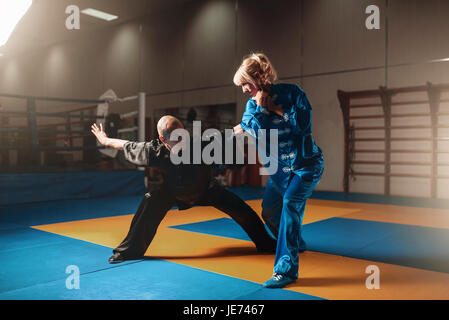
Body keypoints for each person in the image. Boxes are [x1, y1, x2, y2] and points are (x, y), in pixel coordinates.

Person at [91, 116, 276, 264]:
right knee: (150, 200)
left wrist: (249, 120)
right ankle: (128, 252)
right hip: (173, 192)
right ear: (163, 140)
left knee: (241, 209)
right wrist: (105, 140)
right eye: (176, 138)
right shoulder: (154, 151)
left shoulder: (201, 144)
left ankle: (266, 243)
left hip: (205, 189)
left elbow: (231, 132)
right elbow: (125, 145)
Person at [233, 53, 324, 288]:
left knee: (289, 205)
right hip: (281, 171)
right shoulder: (251, 104)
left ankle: (286, 271)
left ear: (260, 77)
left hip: (306, 166)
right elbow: (252, 127)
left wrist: (272, 106)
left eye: (246, 83)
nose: (244, 90)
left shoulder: (293, 93)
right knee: (269, 212)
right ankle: (294, 241)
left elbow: (304, 126)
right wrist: (258, 108)